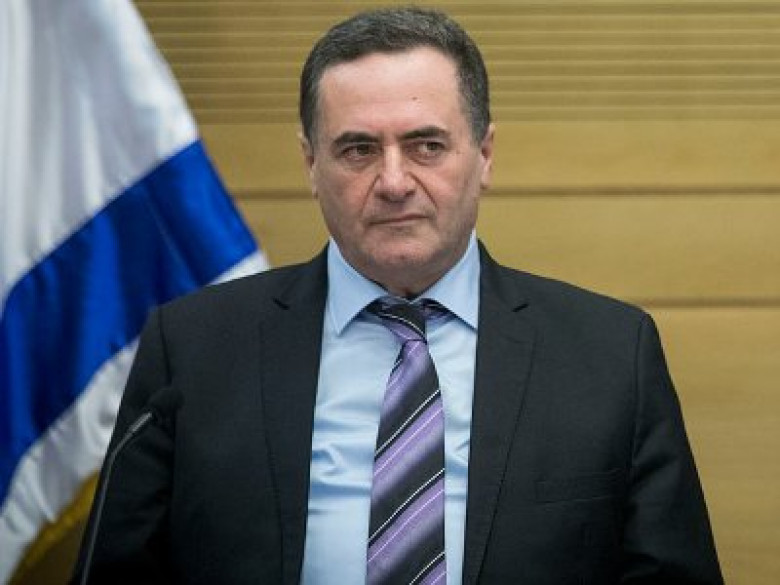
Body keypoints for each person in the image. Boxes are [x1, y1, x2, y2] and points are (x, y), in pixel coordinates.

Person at [73, 7, 723, 584]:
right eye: (358, 149)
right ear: (311, 165)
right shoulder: (194, 349)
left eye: (426, 145)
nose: (393, 181)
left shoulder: (609, 354)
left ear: (484, 155)